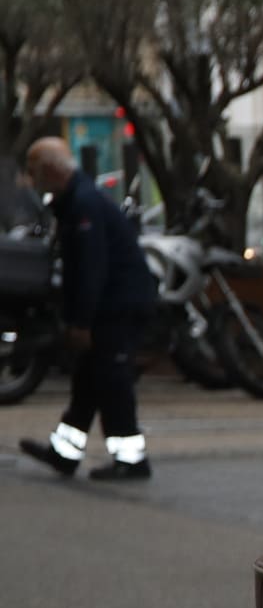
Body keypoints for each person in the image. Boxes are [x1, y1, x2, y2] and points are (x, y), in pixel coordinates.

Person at [15, 137, 156, 482]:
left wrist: (81, 322)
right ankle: (65, 453)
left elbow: (91, 269)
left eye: (35, 173)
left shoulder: (83, 205)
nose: (35, 183)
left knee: (110, 380)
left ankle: (131, 459)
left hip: (117, 307)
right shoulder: (79, 200)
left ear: (50, 169)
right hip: (111, 305)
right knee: (89, 378)